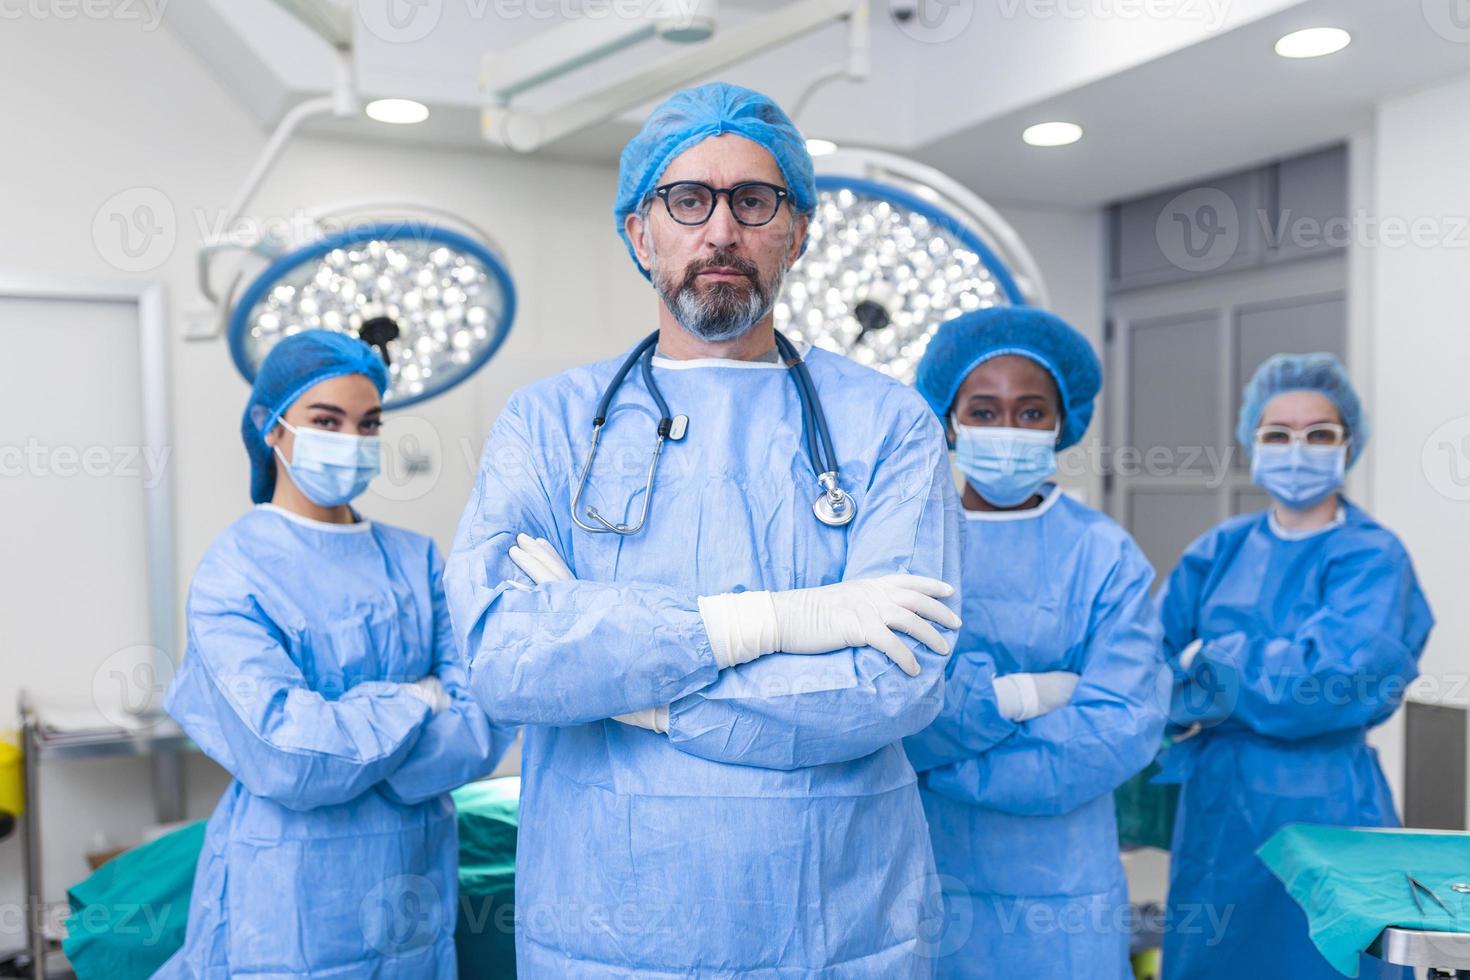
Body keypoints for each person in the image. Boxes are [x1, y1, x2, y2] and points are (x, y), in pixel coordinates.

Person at [445, 82, 963, 977]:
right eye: (688, 200)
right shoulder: (548, 425)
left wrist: (627, 693)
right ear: (641, 232)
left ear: (796, 231)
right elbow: (503, 656)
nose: (720, 230)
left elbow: (894, 682)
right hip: (609, 928)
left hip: (834, 925)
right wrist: (761, 626)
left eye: (753, 201)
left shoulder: (890, 425)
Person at [159, 330, 510, 978]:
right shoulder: (234, 572)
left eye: (367, 422)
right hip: (285, 896)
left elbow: (481, 724)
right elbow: (286, 757)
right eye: (326, 420)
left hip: (410, 883)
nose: (350, 440)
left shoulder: (416, 561)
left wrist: (344, 729)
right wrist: (415, 698)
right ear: (272, 429)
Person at [902, 307, 1167, 978]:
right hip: (918, 868)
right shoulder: (905, 546)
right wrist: (1028, 695)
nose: (1007, 430)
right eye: (984, 412)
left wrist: (946, 760)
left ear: (1062, 422)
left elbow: (1118, 729)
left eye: (1030, 413)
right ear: (950, 419)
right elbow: (886, 707)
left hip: (1061, 888)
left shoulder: (1103, 556)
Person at [1158, 352, 1434, 979]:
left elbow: (1327, 686)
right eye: (1277, 434)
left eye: (1319, 435)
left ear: (1349, 445)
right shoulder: (1218, 550)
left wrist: (1212, 659)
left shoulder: (1373, 556)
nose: (1297, 449)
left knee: (1325, 961)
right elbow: (1150, 670)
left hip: (1331, 807)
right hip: (1220, 813)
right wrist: (1226, 674)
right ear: (1251, 442)